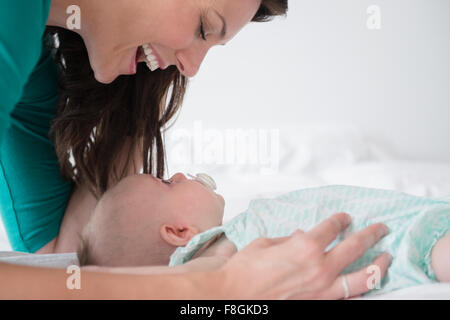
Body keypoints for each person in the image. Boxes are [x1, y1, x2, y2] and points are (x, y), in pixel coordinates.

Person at [0, 0, 392, 299]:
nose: (192, 68)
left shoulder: (29, 54)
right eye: (204, 27)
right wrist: (216, 286)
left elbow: (65, 257)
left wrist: (136, 95)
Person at [75, 173, 450, 297]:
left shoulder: (228, 237)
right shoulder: (212, 259)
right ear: (178, 232)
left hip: (400, 226)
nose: (179, 175)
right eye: (166, 182)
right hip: (403, 245)